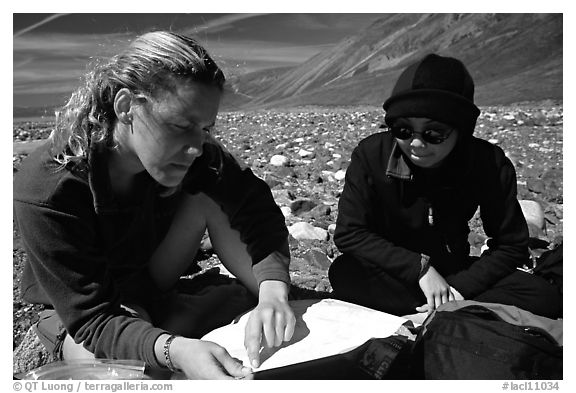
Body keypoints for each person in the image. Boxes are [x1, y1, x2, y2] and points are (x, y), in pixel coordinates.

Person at [13, 31, 296, 379]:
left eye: (205, 128)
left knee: (213, 199)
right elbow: (92, 318)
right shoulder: (49, 186)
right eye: (180, 125)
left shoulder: (195, 155)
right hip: (80, 312)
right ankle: (181, 320)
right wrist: (173, 350)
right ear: (126, 107)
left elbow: (256, 209)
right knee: (129, 374)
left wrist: (273, 291)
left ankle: (261, 307)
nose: (196, 146)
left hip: (147, 278)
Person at [328, 53, 561, 320]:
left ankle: (437, 309)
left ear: (461, 129)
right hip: (394, 269)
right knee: (345, 273)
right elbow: (350, 233)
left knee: (543, 296)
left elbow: (510, 245)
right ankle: (451, 312)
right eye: (403, 130)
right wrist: (420, 269)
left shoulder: (488, 163)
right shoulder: (372, 155)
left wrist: (460, 289)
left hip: (454, 272)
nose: (416, 144)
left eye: (434, 133)